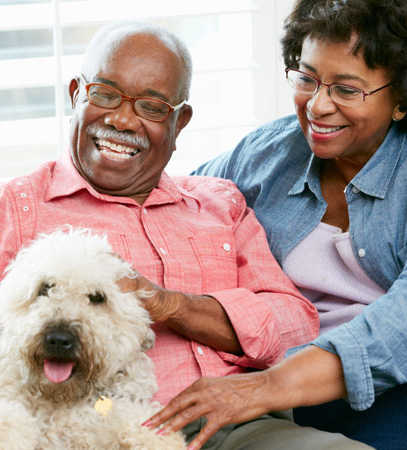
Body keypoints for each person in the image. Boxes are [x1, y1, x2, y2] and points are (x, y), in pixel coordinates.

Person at [0, 20, 373, 450]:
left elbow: (295, 324)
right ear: (76, 94)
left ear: (180, 120)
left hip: (236, 427)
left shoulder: (219, 202)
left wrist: (171, 305)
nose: (120, 119)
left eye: (151, 107)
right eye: (104, 94)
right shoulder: (14, 206)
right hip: (81, 431)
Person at [146, 0, 407, 449]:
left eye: (346, 90)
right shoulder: (269, 153)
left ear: (400, 101)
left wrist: (262, 389)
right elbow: (168, 198)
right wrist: (2, 198)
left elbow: (396, 331)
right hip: (263, 378)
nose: (318, 106)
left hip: (382, 386)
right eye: (307, 78)